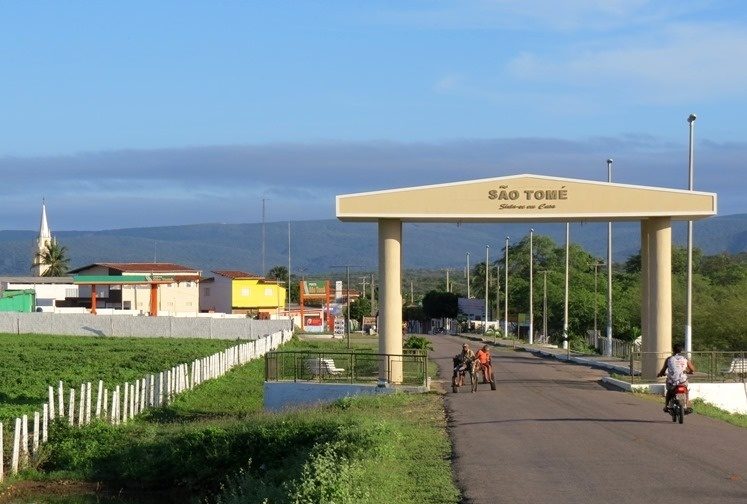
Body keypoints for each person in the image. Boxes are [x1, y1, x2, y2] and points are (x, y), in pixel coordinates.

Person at [657, 344, 695, 413]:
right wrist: (688, 371)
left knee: (669, 391)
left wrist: (660, 374)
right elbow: (692, 369)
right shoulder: (685, 359)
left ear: (673, 350)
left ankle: (666, 406)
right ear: (681, 351)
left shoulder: (669, 359)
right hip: (682, 381)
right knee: (686, 391)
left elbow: (663, 370)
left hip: (672, 381)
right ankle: (686, 406)